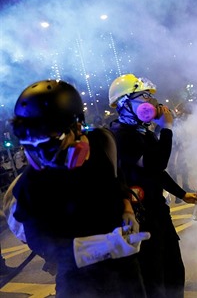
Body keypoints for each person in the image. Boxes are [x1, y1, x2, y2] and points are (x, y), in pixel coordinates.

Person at [10, 79, 150, 297]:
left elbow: (117, 181)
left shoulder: (103, 143)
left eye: (51, 137)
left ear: (77, 127)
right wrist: (94, 248)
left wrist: (127, 209)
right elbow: (39, 241)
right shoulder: (31, 183)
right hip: (77, 280)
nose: (41, 151)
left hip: (125, 271)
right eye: (32, 139)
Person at [108, 74, 197, 298]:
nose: (151, 104)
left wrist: (183, 194)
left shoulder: (143, 133)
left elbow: (157, 173)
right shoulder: (121, 136)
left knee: (174, 272)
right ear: (124, 104)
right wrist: (167, 129)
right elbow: (156, 163)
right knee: (153, 280)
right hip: (141, 220)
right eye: (142, 97)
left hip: (159, 214)